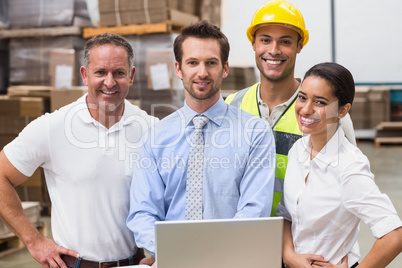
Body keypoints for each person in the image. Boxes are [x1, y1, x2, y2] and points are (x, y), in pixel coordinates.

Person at [0, 33, 158, 268]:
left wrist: (160, 249)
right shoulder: (54, 127)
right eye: (100, 72)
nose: (110, 81)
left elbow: (170, 198)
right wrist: (33, 241)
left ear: (132, 76)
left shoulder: (151, 129)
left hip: (134, 264)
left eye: (119, 73)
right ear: (85, 75)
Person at [126, 20, 276, 266]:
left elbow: (253, 212)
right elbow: (143, 213)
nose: (202, 72)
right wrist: (174, 252)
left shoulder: (255, 134)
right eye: (193, 62)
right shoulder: (155, 138)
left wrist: (209, 256)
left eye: (211, 63)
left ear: (225, 68)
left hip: (232, 263)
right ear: (178, 68)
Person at [225, 0, 356, 216]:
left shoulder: (329, 114)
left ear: (299, 46)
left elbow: (346, 185)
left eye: (285, 42)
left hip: (302, 239)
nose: (274, 51)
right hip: (244, 234)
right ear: (254, 44)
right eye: (265, 40)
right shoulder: (232, 106)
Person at [276, 62, 402, 268]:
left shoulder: (349, 166)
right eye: (302, 97)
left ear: (342, 111)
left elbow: (394, 235)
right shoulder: (298, 149)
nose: (306, 109)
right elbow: (287, 213)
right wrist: (289, 255)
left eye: (320, 102)